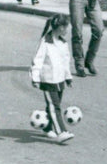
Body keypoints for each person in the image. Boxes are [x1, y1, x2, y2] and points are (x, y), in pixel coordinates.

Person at [30, 13, 74, 143]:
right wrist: (35, 78)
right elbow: (37, 60)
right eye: (66, 27)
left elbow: (66, 61)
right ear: (60, 27)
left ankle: (48, 127)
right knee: (55, 106)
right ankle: (61, 132)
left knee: (54, 105)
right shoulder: (45, 42)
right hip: (48, 79)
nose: (67, 30)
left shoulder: (63, 43)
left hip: (59, 80)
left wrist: (68, 77)